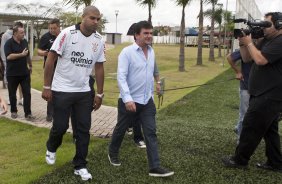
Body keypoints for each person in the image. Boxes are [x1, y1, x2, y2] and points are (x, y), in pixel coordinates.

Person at [42, 6, 105, 181]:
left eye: (98, 19)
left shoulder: (99, 40)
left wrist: (99, 94)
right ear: (83, 17)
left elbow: (99, 67)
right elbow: (51, 58)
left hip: (84, 91)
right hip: (62, 89)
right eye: (92, 18)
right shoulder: (67, 34)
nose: (96, 22)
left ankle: (80, 165)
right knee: (61, 127)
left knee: (84, 130)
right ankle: (52, 146)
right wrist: (47, 87)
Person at [108, 20, 174, 177]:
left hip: (147, 101)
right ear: (136, 35)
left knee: (150, 132)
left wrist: (158, 83)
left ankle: (154, 167)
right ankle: (112, 152)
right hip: (129, 101)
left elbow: (155, 70)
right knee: (121, 129)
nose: (149, 36)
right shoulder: (127, 53)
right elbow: (121, 77)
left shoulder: (151, 51)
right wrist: (128, 99)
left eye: (151, 33)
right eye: (146, 33)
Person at [222, 12, 282, 172]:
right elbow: (247, 58)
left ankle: (240, 160)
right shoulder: (268, 40)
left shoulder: (280, 41)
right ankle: (275, 162)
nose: (263, 27)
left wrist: (250, 43)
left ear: (278, 24)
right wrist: (243, 42)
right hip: (263, 93)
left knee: (250, 126)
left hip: (270, 95)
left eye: (267, 24)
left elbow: (261, 60)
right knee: (270, 131)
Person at [4, 25, 34, 121]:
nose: (23, 34)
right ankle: (13, 111)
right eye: (21, 32)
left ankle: (28, 113)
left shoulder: (24, 41)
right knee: (12, 94)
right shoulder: (8, 43)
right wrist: (21, 54)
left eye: (23, 32)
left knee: (27, 93)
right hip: (12, 74)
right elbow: (8, 57)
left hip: (24, 73)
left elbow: (27, 54)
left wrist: (30, 65)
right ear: (15, 33)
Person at [227, 49, 252, 143]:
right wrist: (237, 72)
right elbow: (230, 57)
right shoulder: (247, 47)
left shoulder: (268, 45)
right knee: (244, 115)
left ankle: (238, 128)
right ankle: (241, 141)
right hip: (246, 87)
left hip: (261, 88)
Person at [38, 18, 61, 122]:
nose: (52, 30)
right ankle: (49, 114)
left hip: (63, 69)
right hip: (50, 69)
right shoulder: (45, 37)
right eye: (50, 28)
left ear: (59, 27)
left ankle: (63, 113)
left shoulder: (64, 35)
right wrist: (45, 53)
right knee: (50, 91)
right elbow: (39, 51)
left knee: (62, 92)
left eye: (54, 28)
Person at [1, 22, 24, 104]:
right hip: (9, 62)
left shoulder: (22, 37)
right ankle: (11, 98)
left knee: (21, 81)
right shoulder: (6, 36)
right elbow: (3, 50)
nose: (22, 33)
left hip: (20, 63)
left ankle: (21, 98)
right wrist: (5, 61)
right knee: (11, 82)